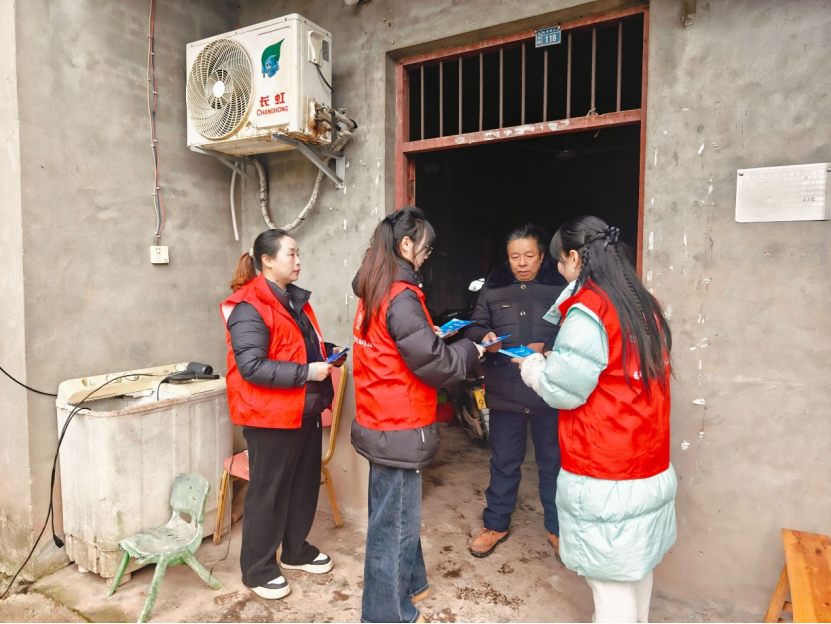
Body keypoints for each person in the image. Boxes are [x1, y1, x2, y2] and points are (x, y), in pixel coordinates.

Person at [514, 216, 676, 623]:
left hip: (606, 467)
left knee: (608, 581)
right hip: (648, 457)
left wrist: (534, 366)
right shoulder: (641, 302)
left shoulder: (590, 309)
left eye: (559, 261)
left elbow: (562, 389)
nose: (559, 270)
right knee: (635, 567)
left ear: (574, 257)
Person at [351, 207, 484, 624]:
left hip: (379, 416)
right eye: (425, 249)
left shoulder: (374, 287)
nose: (427, 256)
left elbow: (402, 346)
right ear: (406, 244)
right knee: (393, 526)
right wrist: (472, 350)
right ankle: (385, 615)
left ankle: (413, 583)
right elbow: (436, 365)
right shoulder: (401, 295)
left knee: (395, 513)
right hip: (400, 422)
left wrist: (432, 338)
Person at [220, 229, 347, 600]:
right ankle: (257, 570)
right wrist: (309, 372)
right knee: (269, 492)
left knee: (302, 484)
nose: (298, 261)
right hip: (269, 417)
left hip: (303, 410)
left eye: (297, 253)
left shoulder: (294, 301)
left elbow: (296, 346)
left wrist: (327, 352)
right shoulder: (248, 307)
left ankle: (295, 550)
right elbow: (252, 366)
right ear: (267, 260)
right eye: (291, 254)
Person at [463, 224, 568, 559]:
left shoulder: (560, 286)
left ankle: (557, 528)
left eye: (529, 256)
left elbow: (574, 329)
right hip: (505, 390)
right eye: (514, 257)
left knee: (553, 464)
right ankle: (495, 524)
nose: (522, 263)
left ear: (542, 256)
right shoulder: (493, 288)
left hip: (548, 391)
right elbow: (476, 324)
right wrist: (484, 337)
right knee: (504, 462)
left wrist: (547, 348)